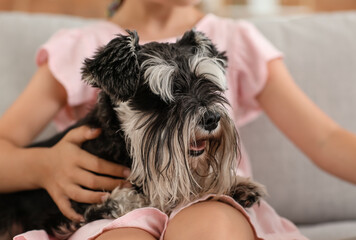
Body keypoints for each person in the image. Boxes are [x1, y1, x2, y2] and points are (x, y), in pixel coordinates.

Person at [1, 0, 356, 239]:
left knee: (209, 225)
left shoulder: (235, 38)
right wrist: (43, 165)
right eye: (164, 97)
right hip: (114, 208)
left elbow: (325, 139)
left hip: (214, 197)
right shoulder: (80, 46)